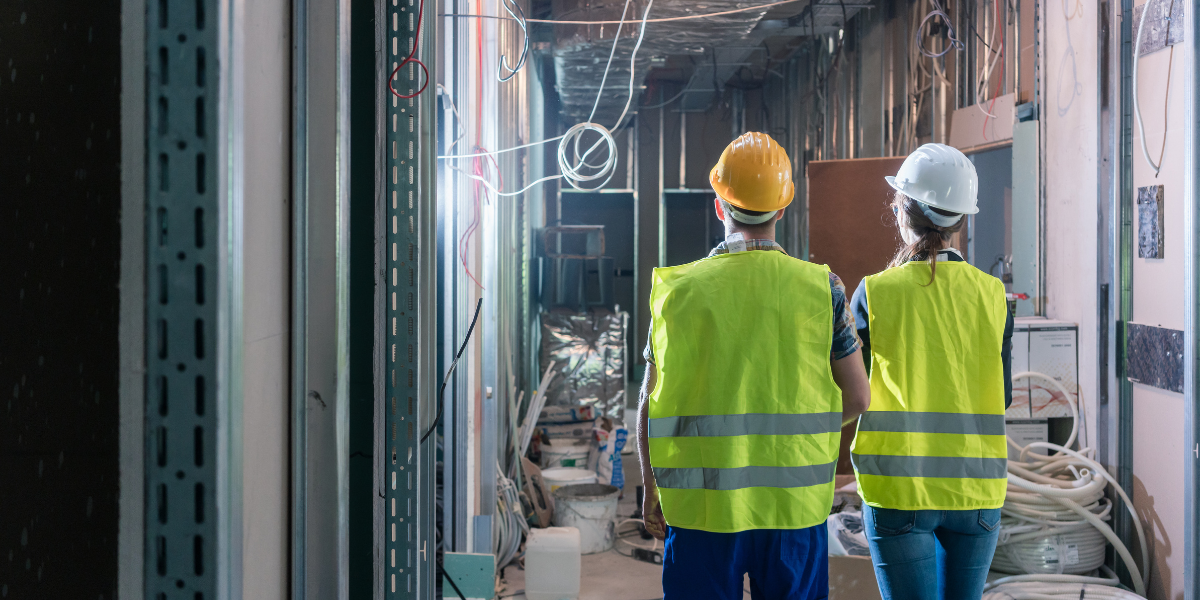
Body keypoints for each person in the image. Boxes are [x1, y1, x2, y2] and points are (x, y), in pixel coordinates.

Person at [635, 132, 872, 600]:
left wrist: (649, 488)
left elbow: (648, 399)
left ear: (720, 205)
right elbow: (859, 396)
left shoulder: (677, 291)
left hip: (702, 513)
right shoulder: (822, 288)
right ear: (781, 210)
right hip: (793, 511)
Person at [849, 143, 1014, 600]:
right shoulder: (993, 294)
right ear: (962, 220)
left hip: (900, 490)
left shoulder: (875, 293)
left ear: (904, 210)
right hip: (976, 493)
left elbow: (852, 395)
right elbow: (1000, 397)